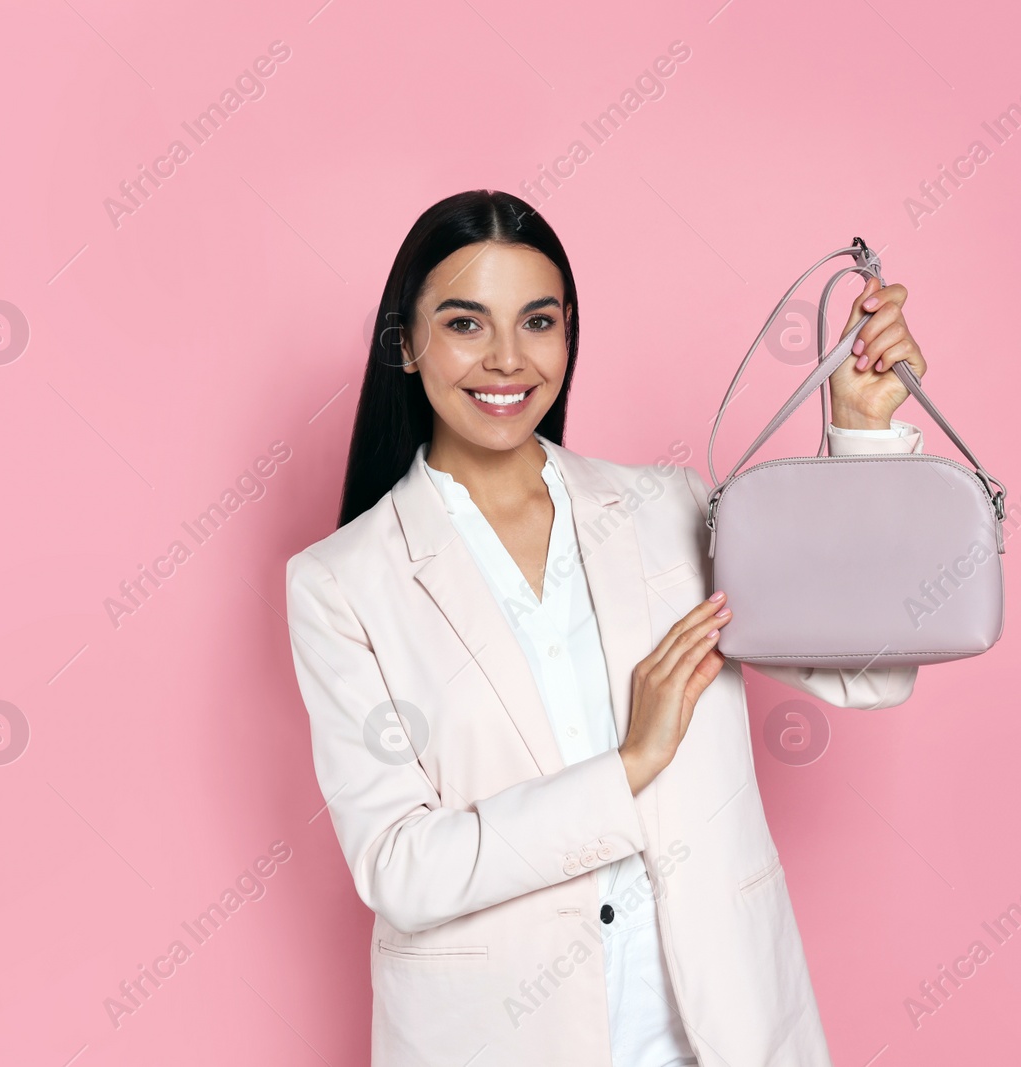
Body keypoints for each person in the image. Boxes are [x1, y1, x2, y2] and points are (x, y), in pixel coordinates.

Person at [285, 189, 929, 1066]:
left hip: (723, 1036)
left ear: (568, 332)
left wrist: (861, 431)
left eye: (537, 321)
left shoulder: (668, 509)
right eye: (466, 324)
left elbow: (873, 672)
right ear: (405, 343)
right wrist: (631, 765)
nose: (508, 358)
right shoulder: (341, 584)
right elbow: (402, 867)